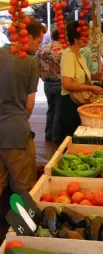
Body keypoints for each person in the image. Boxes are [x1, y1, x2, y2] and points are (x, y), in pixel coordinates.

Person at [0, 18, 45, 197]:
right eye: (39, 41)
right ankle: (23, 225)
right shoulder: (30, 62)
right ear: (29, 37)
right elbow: (29, 104)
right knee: (23, 185)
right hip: (16, 132)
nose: (39, 46)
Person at [60, 21, 103, 138]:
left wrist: (94, 76)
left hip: (78, 103)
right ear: (76, 38)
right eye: (86, 35)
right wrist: (90, 87)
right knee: (73, 139)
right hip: (70, 104)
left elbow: (79, 77)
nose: (89, 38)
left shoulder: (79, 55)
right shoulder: (69, 55)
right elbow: (67, 84)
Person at [36, 28, 64, 144]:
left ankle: (48, 135)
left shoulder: (43, 49)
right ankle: (56, 138)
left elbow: (36, 64)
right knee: (58, 111)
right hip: (59, 82)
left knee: (51, 109)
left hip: (46, 83)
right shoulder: (63, 51)